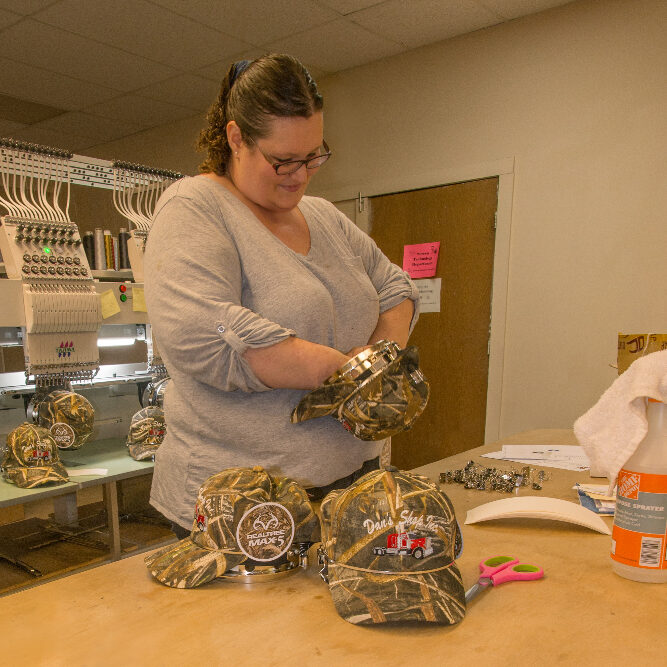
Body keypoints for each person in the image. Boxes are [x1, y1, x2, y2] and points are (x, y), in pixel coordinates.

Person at [144, 54, 420, 536]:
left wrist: (377, 354)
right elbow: (201, 335)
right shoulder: (195, 206)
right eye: (283, 160)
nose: (301, 173)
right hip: (242, 507)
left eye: (314, 155)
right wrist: (344, 373)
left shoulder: (323, 216)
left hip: (350, 485)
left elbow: (396, 288)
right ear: (235, 138)